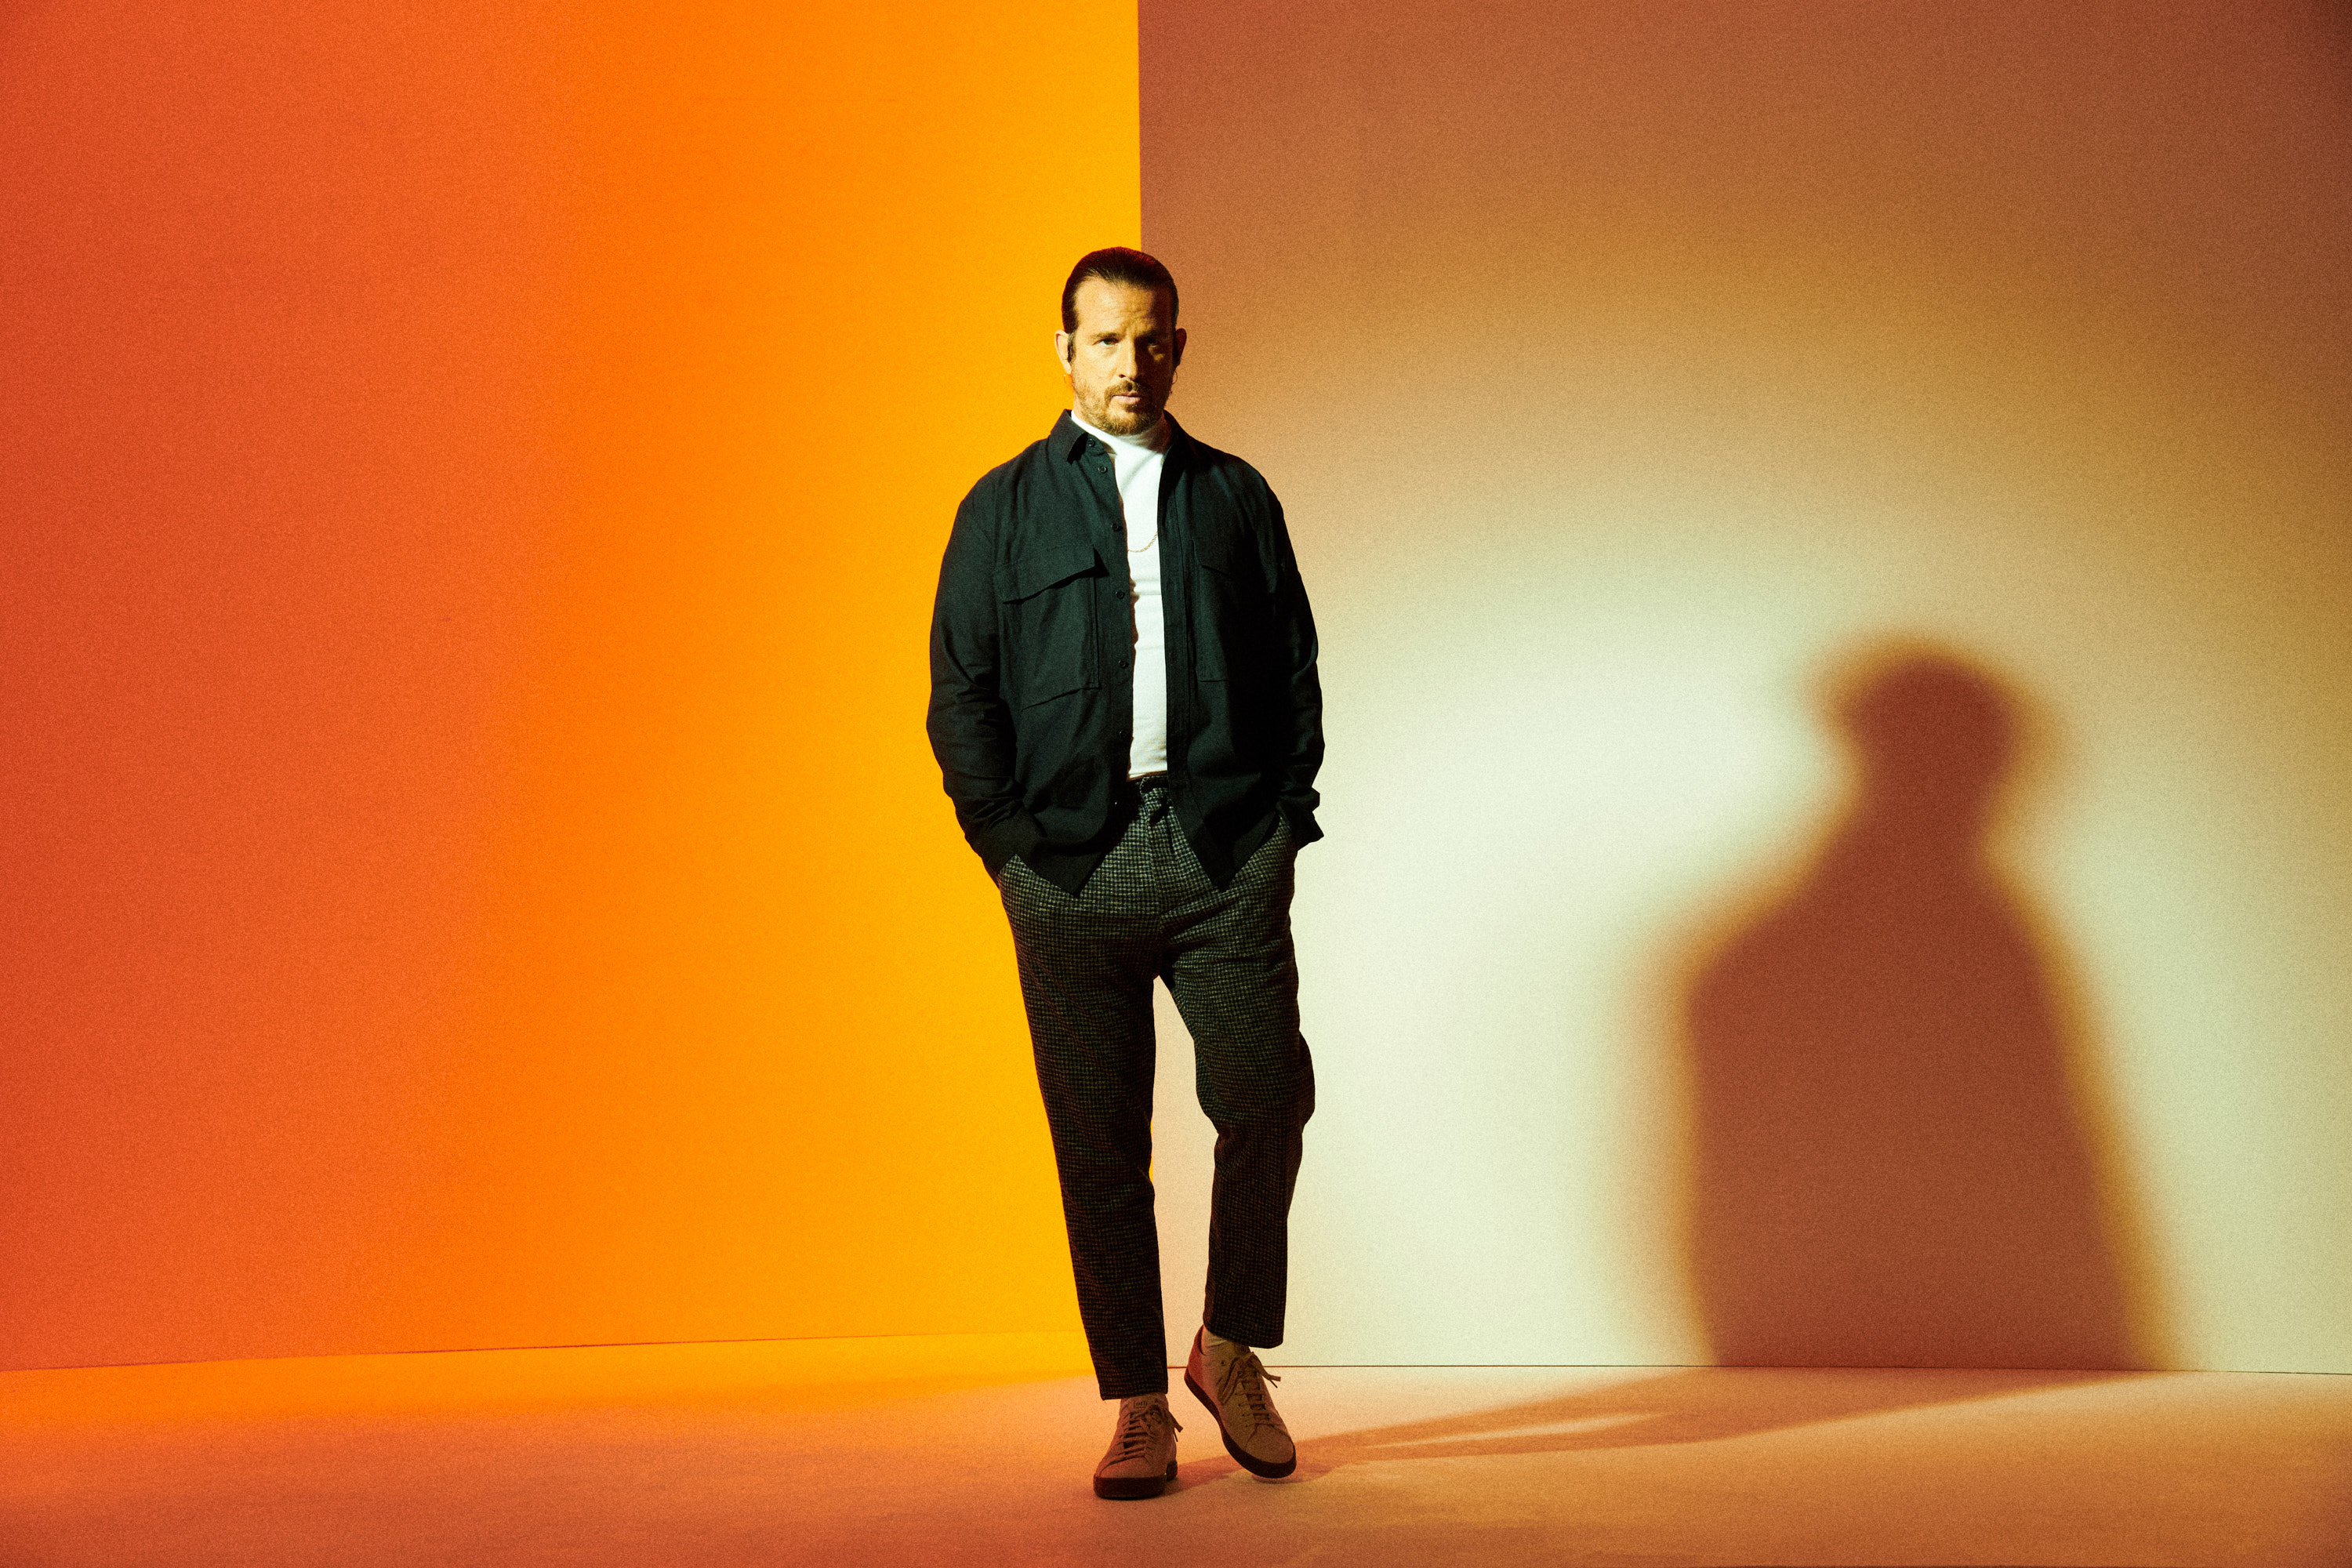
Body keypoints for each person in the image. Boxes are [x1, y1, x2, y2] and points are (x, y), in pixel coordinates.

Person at [927, 248, 1323, 1499]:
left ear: (1179, 347)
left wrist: (1281, 827)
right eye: (1105, 340)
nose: (1130, 363)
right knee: (1099, 1145)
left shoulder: (1235, 496)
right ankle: (1139, 1404)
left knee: (1265, 1097)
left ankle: (1229, 1349)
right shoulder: (1000, 509)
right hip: (1067, 867)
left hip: (1219, 852)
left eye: (1151, 340)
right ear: (1065, 351)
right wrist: (1009, 852)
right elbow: (960, 691)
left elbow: (1295, 668)